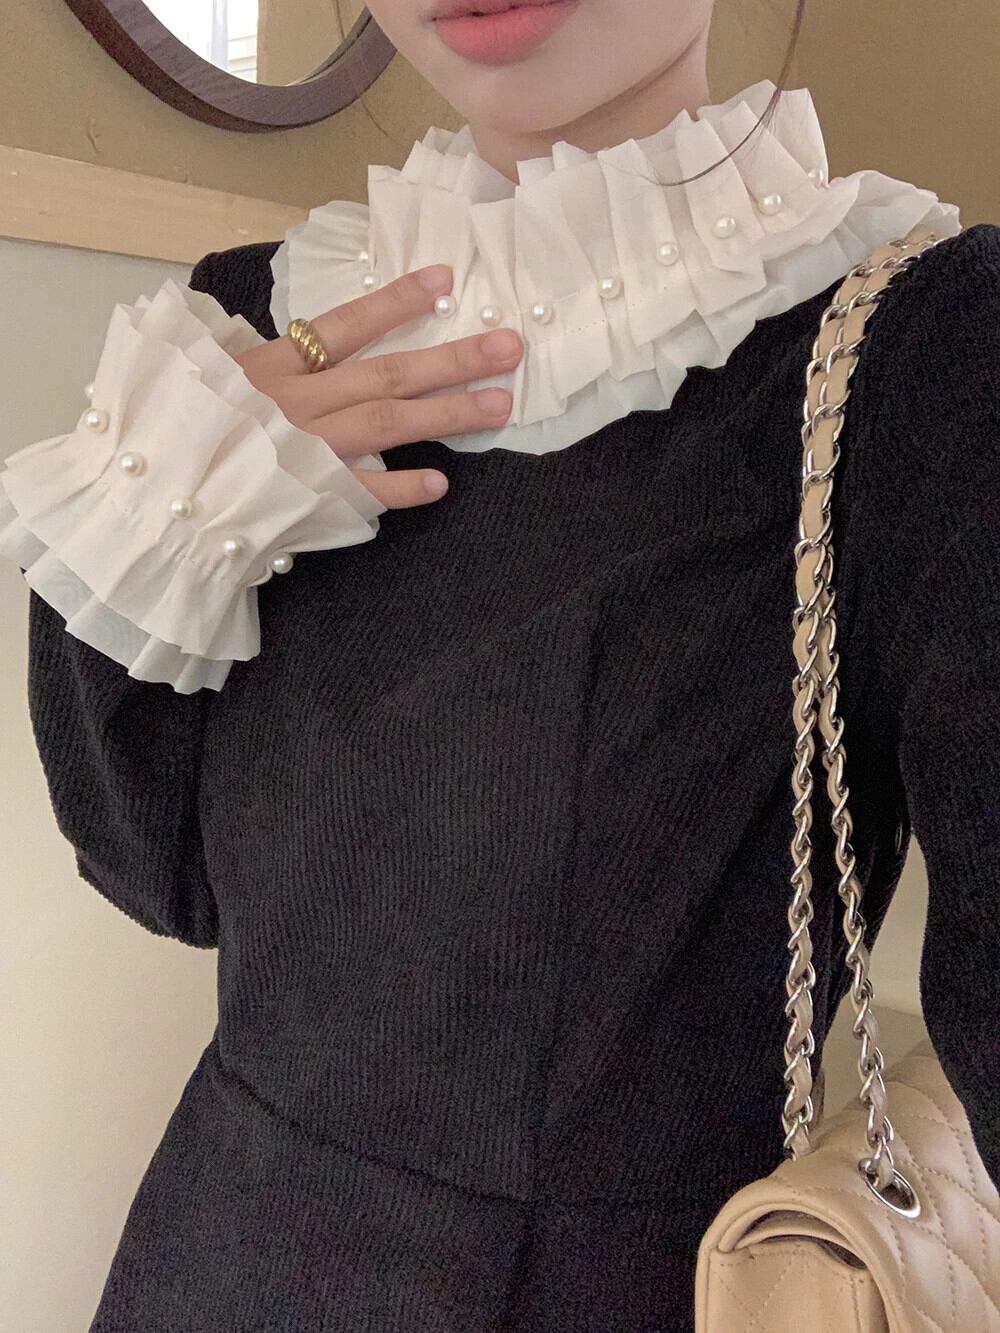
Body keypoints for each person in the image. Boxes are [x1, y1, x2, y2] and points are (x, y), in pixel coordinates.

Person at [1, 0, 998, 1326]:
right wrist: (172, 490)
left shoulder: (926, 345)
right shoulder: (251, 322)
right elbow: (154, 867)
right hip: (207, 1256)